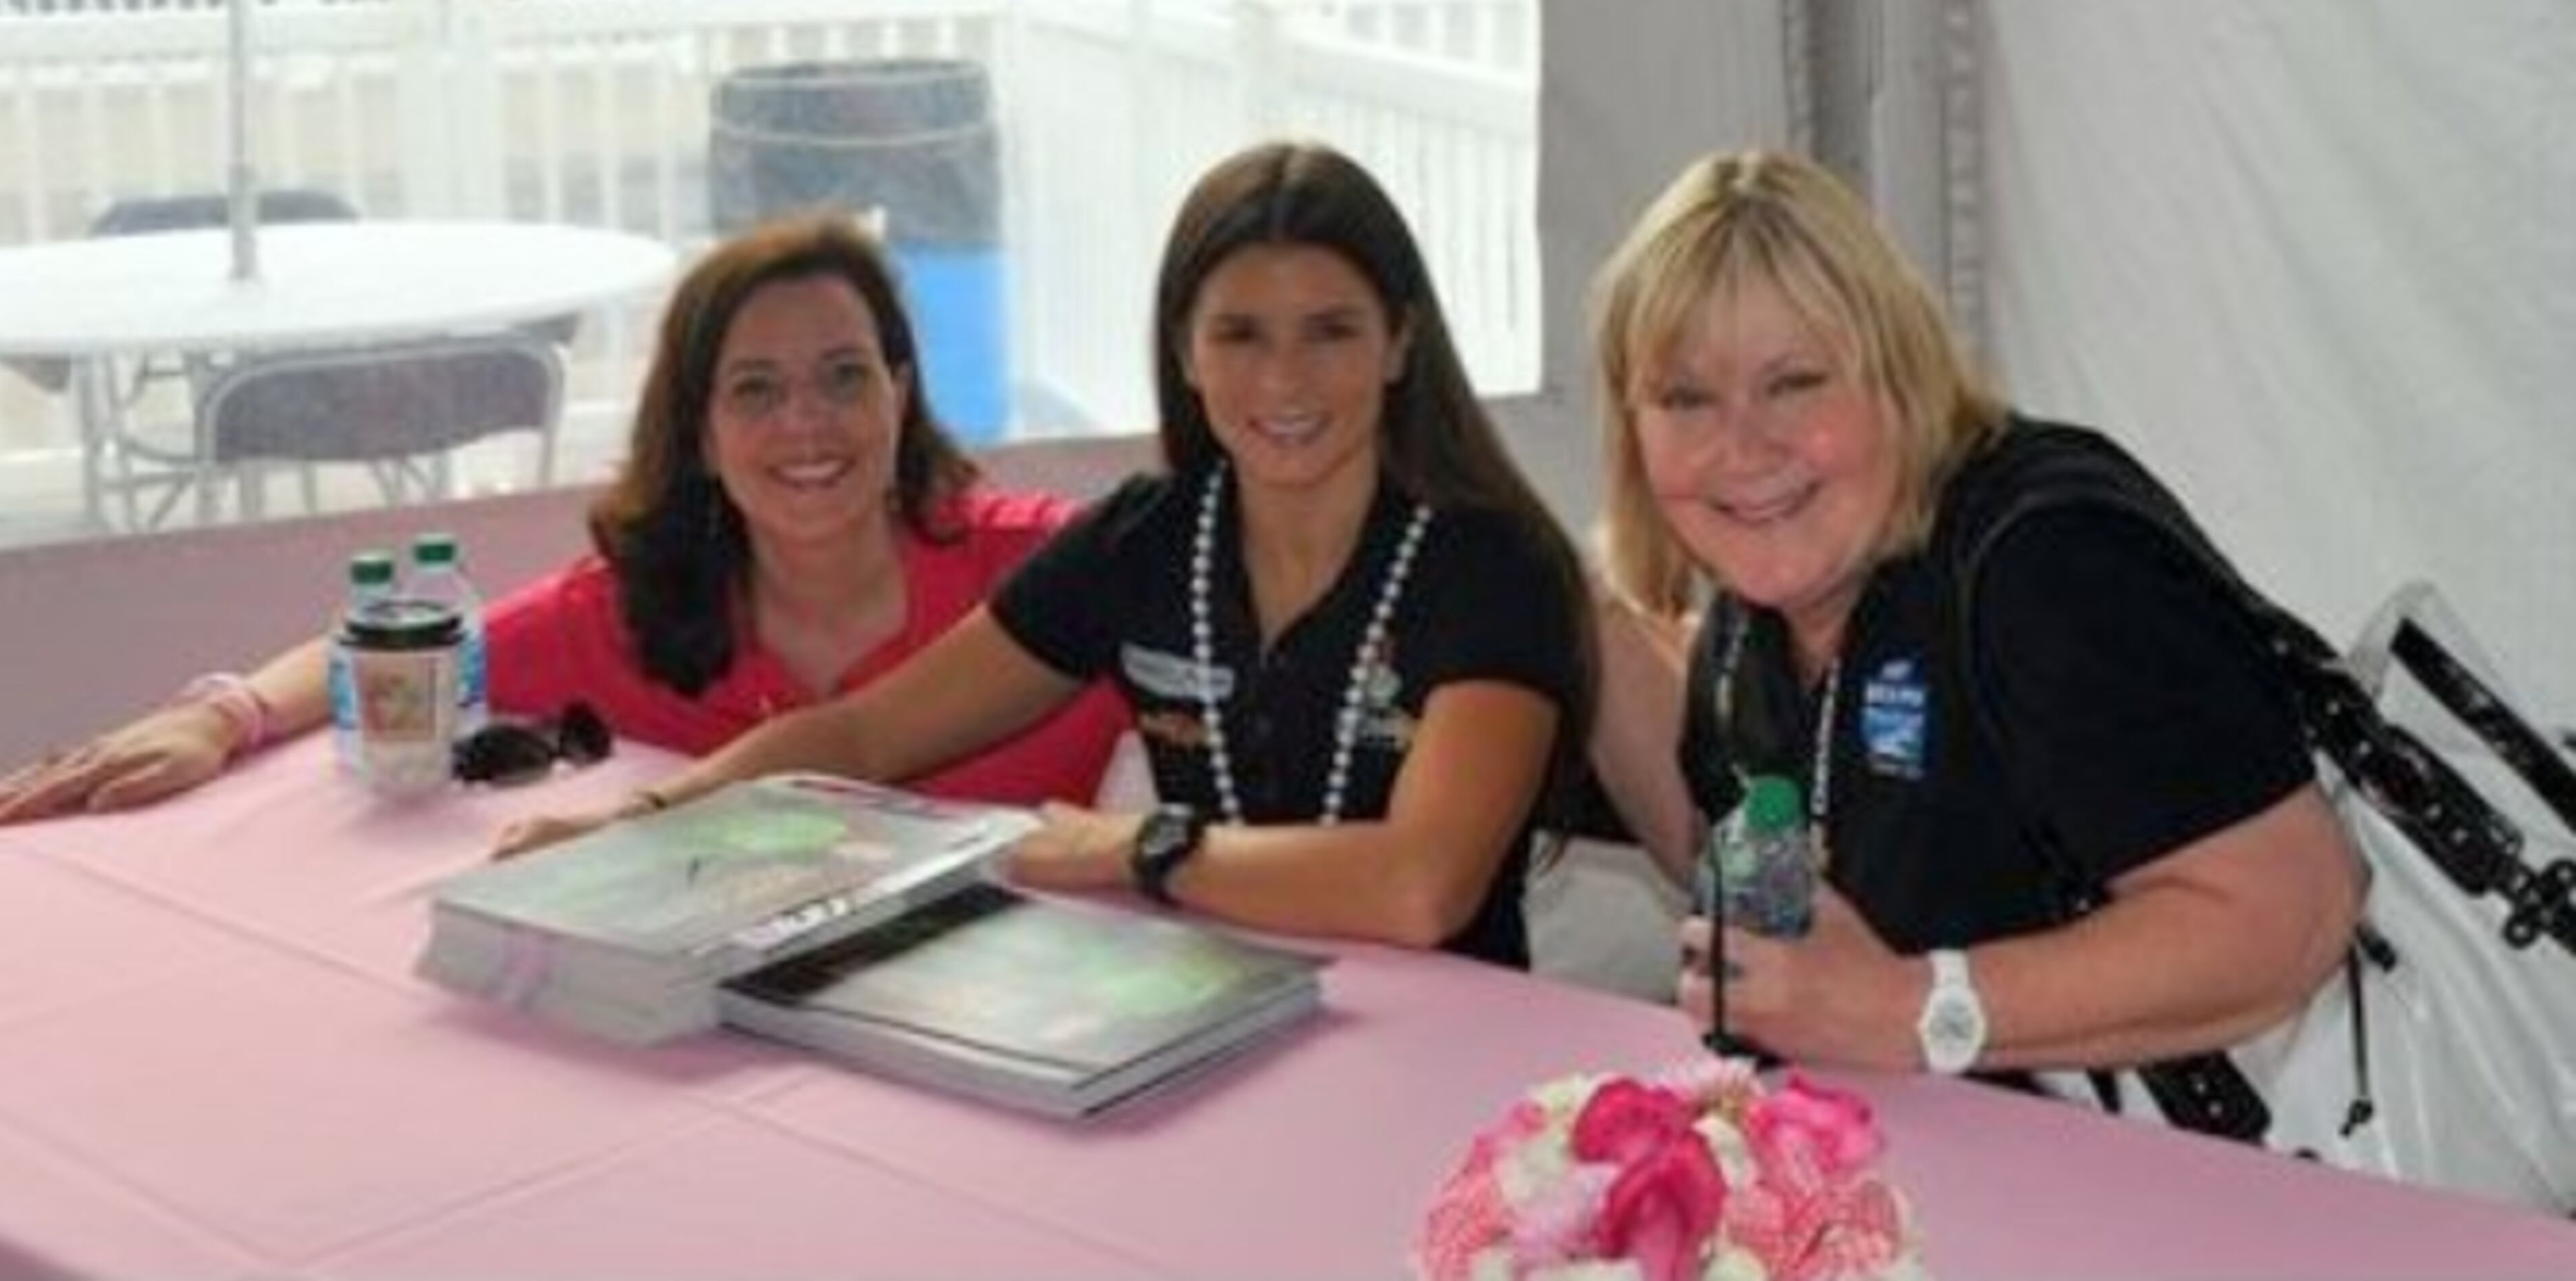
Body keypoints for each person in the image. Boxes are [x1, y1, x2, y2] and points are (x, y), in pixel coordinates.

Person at [502, 140, 1597, 969]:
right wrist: (636, 831)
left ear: (1401, 340)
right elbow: (865, 729)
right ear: (1183, 349)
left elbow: (1421, 888)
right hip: (1220, 1017)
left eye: (1332, 331)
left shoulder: (1488, 565)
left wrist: (1142, 853)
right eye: (1240, 335)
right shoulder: (1145, 539)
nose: (1283, 382)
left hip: (1447, 1051)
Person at [1589, 148, 2361, 1077]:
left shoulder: (2046, 561)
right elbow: (1746, 867)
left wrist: (1913, 1010)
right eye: (1685, 399)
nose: (1743, 448)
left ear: (1898, 373)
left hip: (2235, 1196)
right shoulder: (1751, 620)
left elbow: (2288, 912)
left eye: (1795, 382)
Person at [0, 211, 1129, 824]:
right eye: (755, 393)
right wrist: (218, 722)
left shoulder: (1053, 572)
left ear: (901, 389)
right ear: (702, 430)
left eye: (843, 377)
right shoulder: (640, 611)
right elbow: (403, 648)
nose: (807, 428)